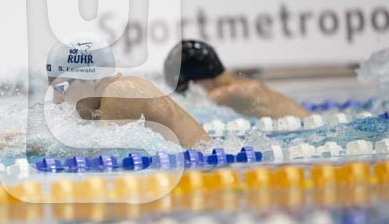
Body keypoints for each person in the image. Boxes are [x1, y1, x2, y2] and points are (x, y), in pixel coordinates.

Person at [47, 33, 209, 148]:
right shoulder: (103, 102)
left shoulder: (119, 92)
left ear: (94, 79)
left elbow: (102, 157)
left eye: (61, 87)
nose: (56, 99)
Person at [164, 40, 309, 119]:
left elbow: (190, 109)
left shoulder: (230, 93)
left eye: (189, 89)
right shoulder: (240, 84)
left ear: (200, 80)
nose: (191, 93)